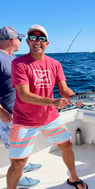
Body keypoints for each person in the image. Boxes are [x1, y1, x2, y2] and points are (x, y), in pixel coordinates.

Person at [6, 24, 87, 189]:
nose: (37, 41)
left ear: (47, 43)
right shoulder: (19, 63)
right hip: (24, 120)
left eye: (41, 38)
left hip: (50, 117)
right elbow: (24, 95)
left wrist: (75, 98)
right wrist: (52, 102)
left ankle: (73, 177)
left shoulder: (55, 64)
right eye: (33, 37)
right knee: (18, 162)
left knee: (66, 145)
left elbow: (64, 90)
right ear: (28, 42)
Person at [0, 26, 42, 188]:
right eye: (19, 38)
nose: (20, 41)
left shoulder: (13, 57)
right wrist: (1, 111)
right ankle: (19, 178)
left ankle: (25, 164)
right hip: (8, 115)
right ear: (12, 40)